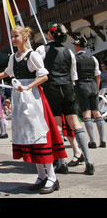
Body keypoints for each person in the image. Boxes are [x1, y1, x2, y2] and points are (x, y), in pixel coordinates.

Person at [0, 25, 66, 194]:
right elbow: (7, 72)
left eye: (16, 36)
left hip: (33, 99)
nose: (13, 39)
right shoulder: (14, 57)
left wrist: (27, 87)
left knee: (38, 134)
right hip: (20, 99)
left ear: (24, 37)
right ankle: (41, 176)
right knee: (29, 135)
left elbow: (44, 75)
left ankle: (52, 177)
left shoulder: (32, 56)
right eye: (12, 36)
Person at [36, 22, 95, 175]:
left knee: (57, 125)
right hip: (68, 87)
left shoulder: (42, 49)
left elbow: (37, 70)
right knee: (75, 123)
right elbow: (74, 76)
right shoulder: (69, 52)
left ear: (50, 34)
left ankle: (61, 163)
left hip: (51, 88)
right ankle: (88, 161)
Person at [73, 36, 106, 149]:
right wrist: (96, 88)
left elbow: (73, 75)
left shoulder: (75, 59)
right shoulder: (93, 59)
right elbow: (98, 75)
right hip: (93, 85)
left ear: (77, 46)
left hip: (81, 85)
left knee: (86, 113)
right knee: (96, 112)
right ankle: (102, 140)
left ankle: (92, 141)